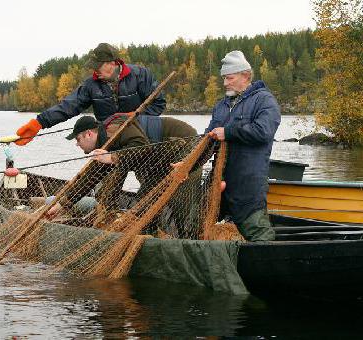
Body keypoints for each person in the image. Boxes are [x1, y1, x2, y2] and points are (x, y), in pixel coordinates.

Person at [48, 115, 200, 238]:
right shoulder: (104, 146)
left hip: (184, 143)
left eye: (78, 139)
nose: (77, 144)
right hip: (161, 159)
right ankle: (150, 236)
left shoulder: (114, 128)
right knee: (143, 203)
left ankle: (190, 240)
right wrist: (62, 205)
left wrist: (113, 158)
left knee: (182, 203)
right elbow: (89, 178)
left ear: (89, 134)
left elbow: (142, 145)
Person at [14, 43, 166, 146]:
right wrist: (39, 123)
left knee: (150, 180)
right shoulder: (90, 85)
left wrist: (135, 116)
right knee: (101, 185)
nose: (95, 71)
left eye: (98, 66)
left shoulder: (140, 75)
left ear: (112, 63)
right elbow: (68, 106)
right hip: (108, 142)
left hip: (141, 139)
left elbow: (158, 103)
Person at [205, 50, 281, 241]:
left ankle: (267, 266)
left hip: (248, 185)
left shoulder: (264, 100)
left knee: (257, 232)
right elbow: (207, 141)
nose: (225, 83)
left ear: (245, 75)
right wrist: (187, 164)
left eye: (229, 78)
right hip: (218, 185)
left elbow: (263, 132)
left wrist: (229, 132)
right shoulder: (221, 106)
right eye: (223, 78)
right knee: (200, 227)